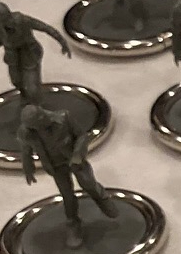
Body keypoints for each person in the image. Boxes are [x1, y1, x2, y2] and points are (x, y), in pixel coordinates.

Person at [17, 103, 116, 244]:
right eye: (36, 125)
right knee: (67, 195)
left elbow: (82, 136)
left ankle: (102, 199)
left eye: (41, 119)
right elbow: (26, 151)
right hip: (56, 166)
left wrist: (77, 155)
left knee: (88, 183)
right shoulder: (26, 132)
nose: (41, 124)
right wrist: (28, 167)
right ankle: (73, 223)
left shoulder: (63, 117)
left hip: (74, 160)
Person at [0, 2, 71, 107]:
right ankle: (26, 98)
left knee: (32, 86)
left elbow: (45, 28)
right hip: (12, 57)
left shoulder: (22, 20)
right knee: (16, 81)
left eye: (7, 15)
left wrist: (62, 42)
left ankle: (39, 107)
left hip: (29, 54)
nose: (8, 20)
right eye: (3, 18)